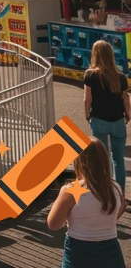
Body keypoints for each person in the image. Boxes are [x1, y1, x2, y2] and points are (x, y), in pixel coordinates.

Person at [47, 137, 126, 268]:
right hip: (111, 250)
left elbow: (53, 224)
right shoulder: (114, 187)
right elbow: (121, 208)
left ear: (79, 162)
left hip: (78, 251)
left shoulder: (70, 191)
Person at [83, 39, 131, 193]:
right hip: (118, 121)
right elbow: (125, 98)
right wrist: (128, 115)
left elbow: (87, 98)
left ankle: (107, 192)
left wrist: (87, 115)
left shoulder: (90, 75)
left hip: (99, 120)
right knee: (118, 160)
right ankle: (121, 193)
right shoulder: (120, 77)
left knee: (103, 159)